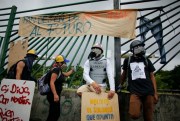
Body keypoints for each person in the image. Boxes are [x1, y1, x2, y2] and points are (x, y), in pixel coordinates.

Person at [120, 40, 158, 121]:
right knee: (134, 114)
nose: (141, 48)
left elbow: (152, 76)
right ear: (132, 49)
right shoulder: (128, 60)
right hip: (135, 91)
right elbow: (124, 74)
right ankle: (138, 105)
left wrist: (155, 93)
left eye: (141, 46)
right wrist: (120, 85)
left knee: (149, 118)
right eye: (138, 47)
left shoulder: (146, 60)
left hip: (148, 91)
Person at [46, 55, 74, 121]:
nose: (65, 64)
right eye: (64, 63)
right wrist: (55, 95)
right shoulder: (56, 70)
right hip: (53, 94)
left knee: (53, 113)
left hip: (53, 94)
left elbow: (66, 74)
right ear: (60, 63)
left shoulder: (58, 70)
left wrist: (72, 70)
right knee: (55, 114)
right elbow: (51, 82)